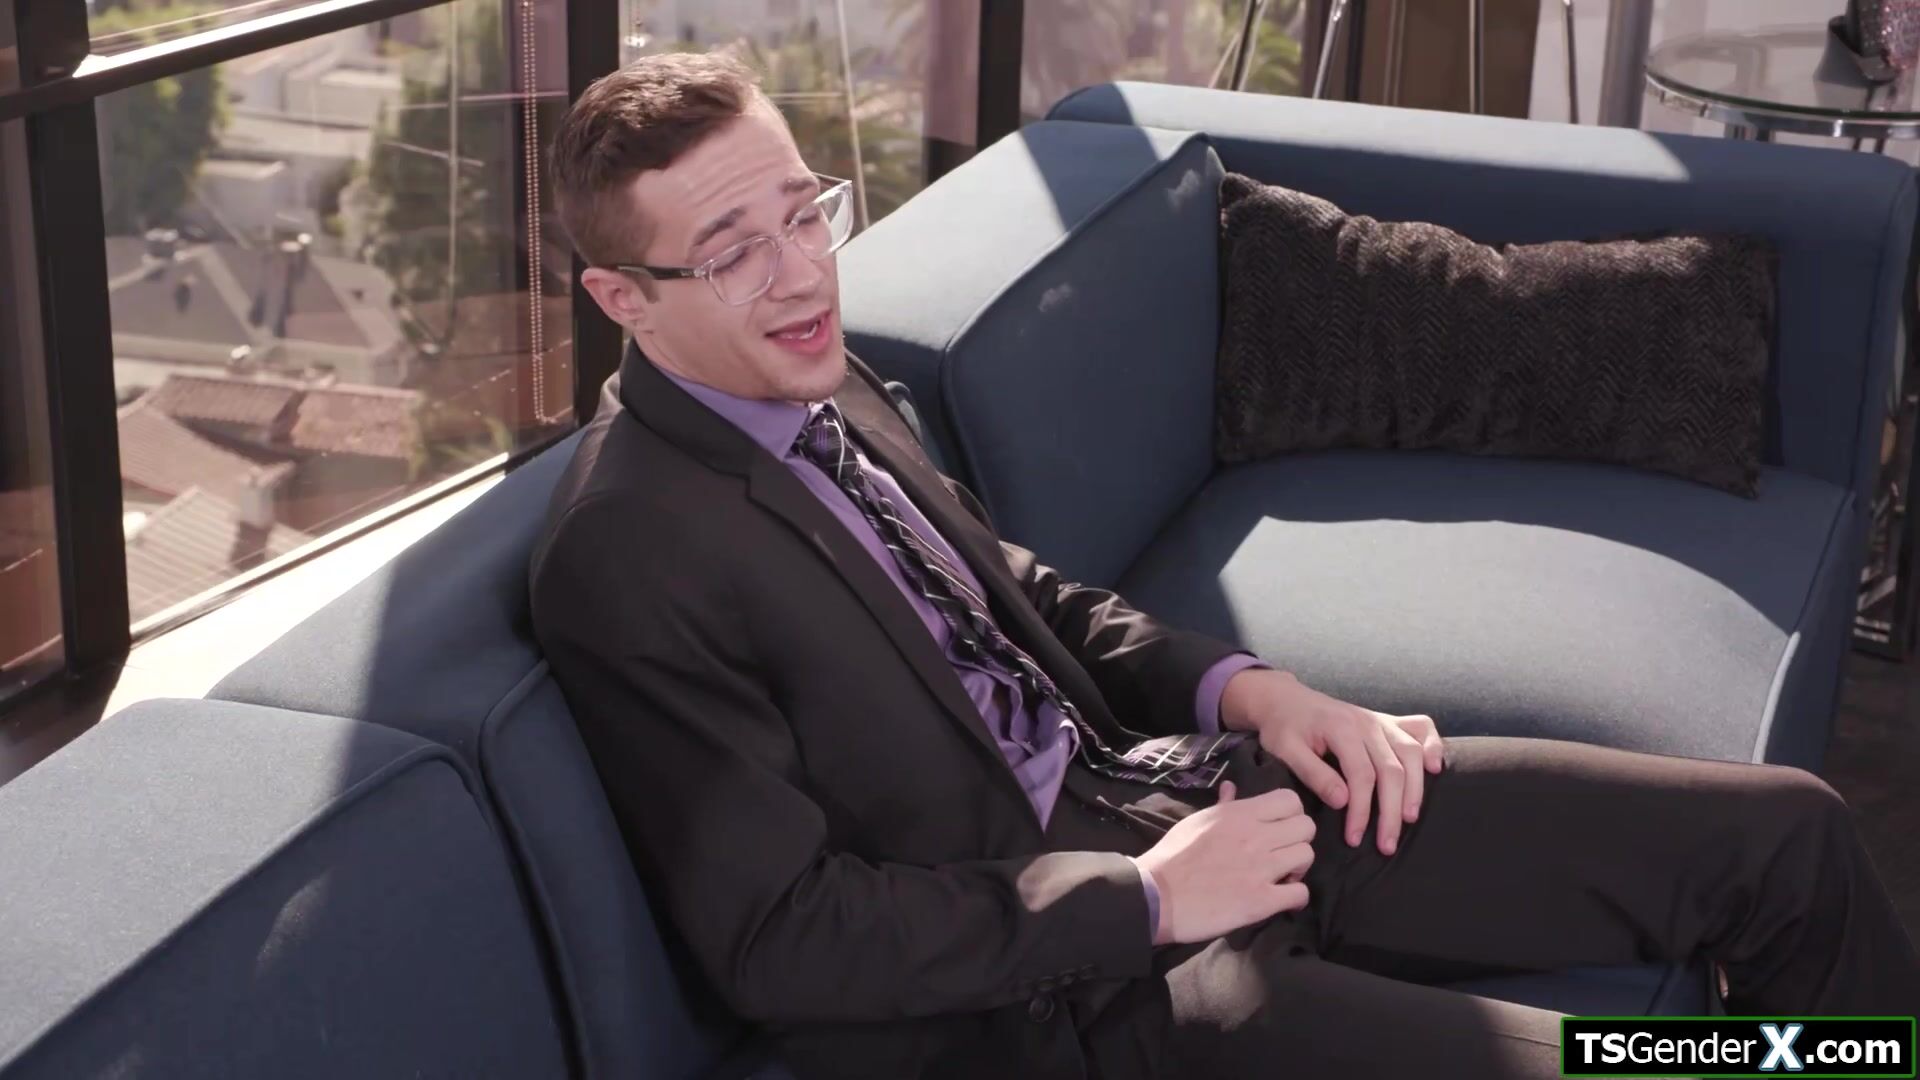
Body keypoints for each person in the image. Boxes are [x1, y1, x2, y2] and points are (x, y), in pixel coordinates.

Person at [528, 51, 1920, 1080]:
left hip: (1204, 795)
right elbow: (782, 937)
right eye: (733, 253)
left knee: (1784, 840)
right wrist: (1147, 898)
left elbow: (1021, 596)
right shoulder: (626, 551)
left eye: (802, 212)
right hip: (1093, 994)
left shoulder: (825, 378)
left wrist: (1256, 694)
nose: (798, 272)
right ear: (621, 298)